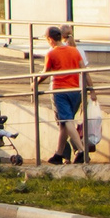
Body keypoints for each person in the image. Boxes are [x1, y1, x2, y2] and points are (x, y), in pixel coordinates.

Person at [43, 24, 88, 163]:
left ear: (50, 39)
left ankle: (82, 151)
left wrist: (35, 82)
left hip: (60, 91)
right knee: (64, 124)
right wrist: (91, 89)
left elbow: (46, 73)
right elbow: (84, 71)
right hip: (75, 91)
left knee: (67, 121)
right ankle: (59, 154)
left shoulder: (51, 53)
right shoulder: (75, 51)